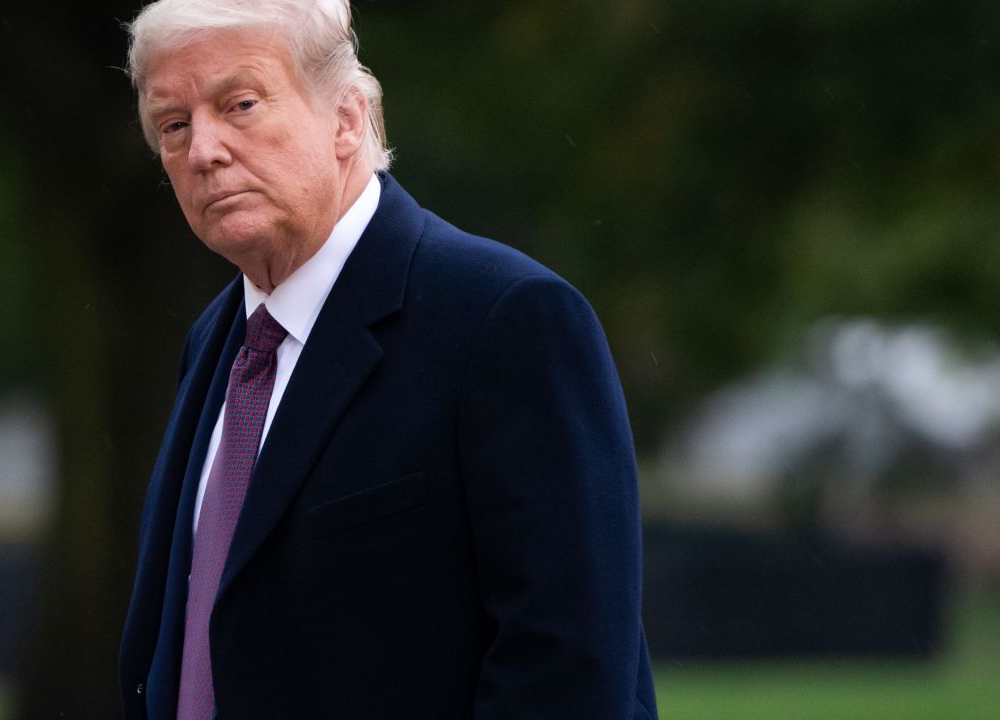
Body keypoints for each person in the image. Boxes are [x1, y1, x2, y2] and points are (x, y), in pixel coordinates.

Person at [117, 1, 658, 718]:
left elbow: (569, 670)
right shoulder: (214, 343)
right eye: (174, 125)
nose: (203, 151)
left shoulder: (506, 320)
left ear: (345, 119)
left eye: (240, 104)